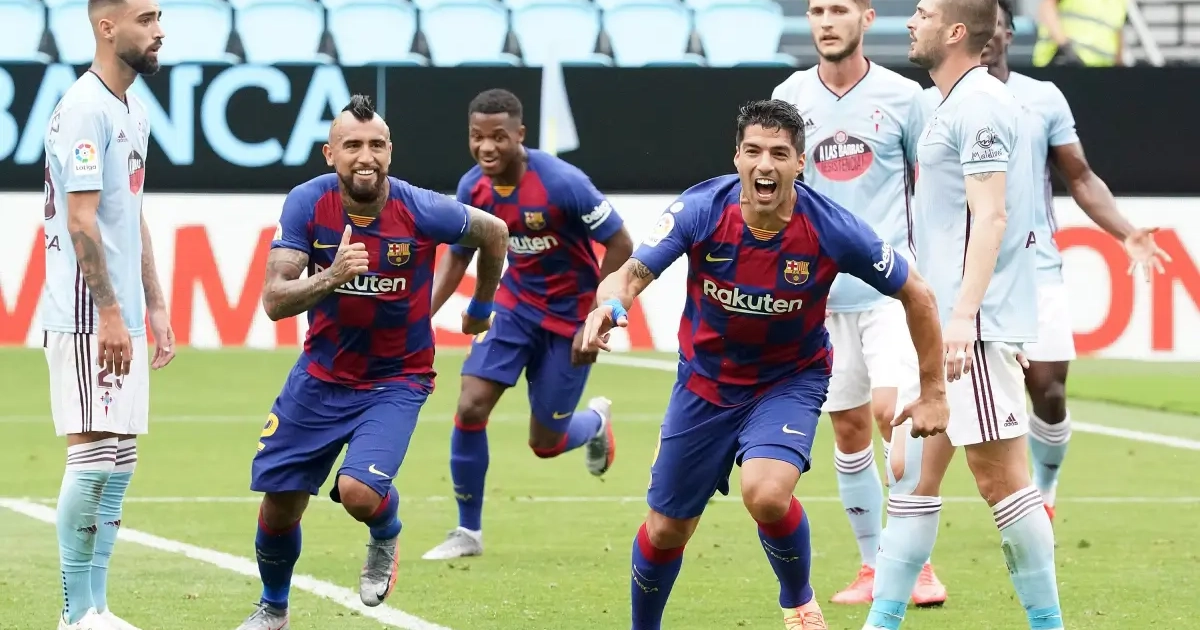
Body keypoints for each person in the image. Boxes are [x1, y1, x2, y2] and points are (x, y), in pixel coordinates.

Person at [580, 99, 949, 630]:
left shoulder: (831, 228)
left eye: (778, 153)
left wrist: (934, 391)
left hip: (789, 381)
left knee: (767, 493)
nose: (764, 164)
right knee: (665, 530)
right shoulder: (701, 209)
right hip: (705, 384)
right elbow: (631, 274)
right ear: (737, 157)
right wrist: (610, 306)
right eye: (753, 151)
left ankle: (799, 603)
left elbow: (918, 294)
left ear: (800, 163)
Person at [234, 95, 509, 630]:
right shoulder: (308, 203)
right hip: (319, 376)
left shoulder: (420, 208)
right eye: (353, 145)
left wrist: (481, 306)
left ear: (390, 151)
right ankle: (273, 609)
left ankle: (386, 533)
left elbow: (493, 232)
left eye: (377, 145)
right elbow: (274, 300)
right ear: (329, 154)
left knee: (360, 494)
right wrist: (332, 276)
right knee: (280, 504)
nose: (366, 157)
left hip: (396, 379)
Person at [864, 1, 1060, 629]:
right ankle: (882, 620)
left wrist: (968, 318)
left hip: (965, 330)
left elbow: (993, 216)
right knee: (911, 477)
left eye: (922, 14)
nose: (910, 22)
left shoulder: (979, 105)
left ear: (954, 32)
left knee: (1000, 480)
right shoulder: (952, 103)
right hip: (942, 320)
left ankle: (1049, 623)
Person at [770, 0, 947, 607]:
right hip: (820, 294)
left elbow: (936, 188)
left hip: (890, 289)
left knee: (894, 413)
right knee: (847, 428)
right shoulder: (790, 95)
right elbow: (778, 195)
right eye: (816, 9)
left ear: (867, 18)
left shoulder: (905, 97)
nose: (826, 21)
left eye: (839, 9)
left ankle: (917, 564)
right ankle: (873, 566)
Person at [973, 0, 1168, 523]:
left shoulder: (1043, 98)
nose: (986, 35)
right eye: (976, 25)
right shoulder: (937, 102)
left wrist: (1125, 231)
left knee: (1049, 392)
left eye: (995, 25)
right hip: (968, 277)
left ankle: (1046, 486)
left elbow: (1079, 177)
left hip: (1036, 270)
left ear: (1010, 34)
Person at [421, 88, 634, 561]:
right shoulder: (472, 189)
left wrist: (597, 317)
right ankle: (467, 532)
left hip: (571, 317)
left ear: (520, 134)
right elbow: (458, 256)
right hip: (514, 308)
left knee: (545, 443)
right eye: (477, 137)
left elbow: (621, 243)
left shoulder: (563, 183)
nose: (486, 147)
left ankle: (595, 423)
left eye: (498, 136)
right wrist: (420, 317)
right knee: (471, 406)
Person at [41, 0, 171, 628]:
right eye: (146, 19)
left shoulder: (132, 110)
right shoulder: (85, 109)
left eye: (159, 17)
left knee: (119, 462)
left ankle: (98, 607)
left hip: (123, 312)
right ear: (107, 26)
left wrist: (156, 303)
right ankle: (75, 613)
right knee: (92, 458)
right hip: (87, 314)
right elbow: (81, 220)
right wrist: (111, 314)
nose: (159, 31)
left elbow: (131, 213)